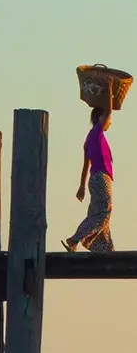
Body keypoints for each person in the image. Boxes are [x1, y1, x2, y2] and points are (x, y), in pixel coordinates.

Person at [63, 103, 115, 254]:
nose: (110, 123)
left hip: (94, 180)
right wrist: (110, 90)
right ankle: (75, 239)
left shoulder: (89, 139)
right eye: (108, 120)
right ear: (101, 118)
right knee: (104, 213)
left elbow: (86, 165)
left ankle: (106, 251)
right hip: (101, 178)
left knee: (99, 215)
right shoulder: (97, 133)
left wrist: (82, 187)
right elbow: (108, 110)